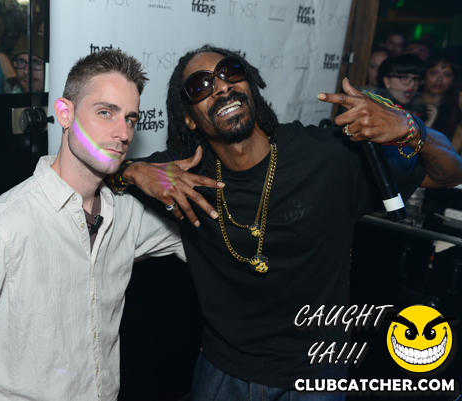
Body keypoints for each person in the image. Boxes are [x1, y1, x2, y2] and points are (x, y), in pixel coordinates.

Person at [115, 45, 462, 400]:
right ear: (188, 118)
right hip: (223, 372)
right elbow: (95, 165)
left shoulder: (329, 156)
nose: (221, 87)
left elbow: (449, 173)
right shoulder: (182, 176)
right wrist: (132, 170)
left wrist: (410, 128)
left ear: (249, 86)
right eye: (200, 86)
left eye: (230, 72)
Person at [0, 49, 184, 400]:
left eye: (131, 119)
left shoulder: (127, 214)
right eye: (105, 112)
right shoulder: (5, 225)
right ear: (64, 113)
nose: (122, 133)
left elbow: (204, 240)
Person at [417, 52, 460, 131]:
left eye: (447, 74)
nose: (439, 79)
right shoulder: (408, 101)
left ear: (454, 79)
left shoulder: (454, 112)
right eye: (434, 73)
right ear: (424, 74)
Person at [376, 54, 426, 119]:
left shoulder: (419, 113)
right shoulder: (373, 109)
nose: (412, 84)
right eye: (405, 77)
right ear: (387, 81)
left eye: (416, 79)